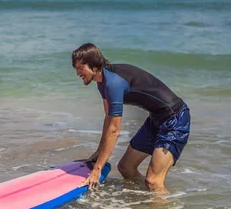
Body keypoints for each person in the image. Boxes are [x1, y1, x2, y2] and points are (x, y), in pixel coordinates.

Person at [72, 43, 190, 193]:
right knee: (126, 168)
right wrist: (100, 152)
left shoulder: (113, 84)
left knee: (153, 181)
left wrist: (97, 168)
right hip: (156, 119)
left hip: (175, 119)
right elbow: (108, 118)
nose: (77, 73)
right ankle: (149, 201)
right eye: (76, 68)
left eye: (80, 67)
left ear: (93, 65)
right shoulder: (102, 82)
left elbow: (114, 130)